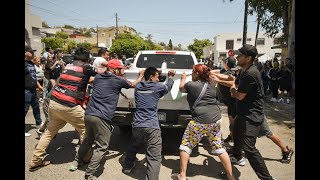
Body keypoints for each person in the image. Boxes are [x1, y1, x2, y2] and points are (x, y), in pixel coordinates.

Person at [69, 59, 144, 180]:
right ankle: (90, 174)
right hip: (102, 116)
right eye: (121, 69)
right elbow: (134, 84)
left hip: (88, 114)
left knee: (88, 140)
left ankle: (76, 162)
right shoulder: (118, 80)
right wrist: (141, 75)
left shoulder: (98, 77)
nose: (122, 71)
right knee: (102, 146)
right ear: (115, 70)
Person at [29, 47, 96, 171]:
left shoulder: (68, 66)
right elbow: (100, 73)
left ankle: (35, 161)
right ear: (87, 58)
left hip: (54, 103)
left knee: (49, 133)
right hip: (70, 105)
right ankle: (86, 157)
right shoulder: (86, 67)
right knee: (85, 129)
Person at [171, 64, 235, 180]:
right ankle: (231, 177)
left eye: (193, 72)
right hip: (215, 119)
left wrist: (184, 78)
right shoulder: (212, 82)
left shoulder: (191, 85)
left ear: (196, 73)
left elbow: (181, 88)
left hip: (199, 121)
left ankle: (182, 175)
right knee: (220, 148)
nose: (192, 74)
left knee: (185, 146)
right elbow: (221, 76)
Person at [230, 44, 275, 180]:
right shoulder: (244, 70)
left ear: (248, 58)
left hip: (252, 115)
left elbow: (239, 95)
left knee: (249, 148)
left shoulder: (251, 73)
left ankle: (267, 178)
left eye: (240, 55)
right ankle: (237, 156)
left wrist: (232, 91)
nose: (237, 57)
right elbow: (235, 83)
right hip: (244, 112)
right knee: (236, 132)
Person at [123, 67, 175, 180]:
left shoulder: (138, 87)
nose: (158, 79)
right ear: (151, 77)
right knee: (154, 156)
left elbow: (140, 82)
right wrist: (170, 77)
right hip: (151, 126)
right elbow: (168, 87)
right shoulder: (158, 87)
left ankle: (127, 166)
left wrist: (141, 75)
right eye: (157, 77)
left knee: (134, 143)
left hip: (137, 124)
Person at [211, 56, 237, 143]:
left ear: (226, 63)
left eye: (224, 62)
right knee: (231, 120)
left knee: (234, 122)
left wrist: (217, 79)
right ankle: (232, 135)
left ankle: (236, 141)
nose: (223, 64)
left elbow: (231, 82)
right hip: (230, 102)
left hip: (234, 101)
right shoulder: (225, 70)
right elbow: (218, 71)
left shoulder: (231, 72)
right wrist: (209, 72)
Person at [25, 45, 44, 137]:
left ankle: (38, 123)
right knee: (25, 109)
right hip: (26, 90)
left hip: (33, 89)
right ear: (25, 53)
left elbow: (33, 76)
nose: (33, 54)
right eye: (31, 52)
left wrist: (39, 85)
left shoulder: (31, 63)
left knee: (36, 106)